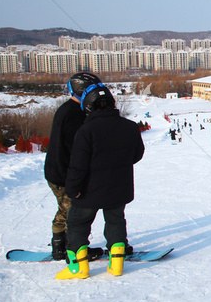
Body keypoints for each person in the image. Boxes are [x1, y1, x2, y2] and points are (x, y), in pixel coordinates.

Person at [56, 84, 145, 280]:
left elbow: (77, 166)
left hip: (89, 192)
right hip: (118, 188)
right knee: (115, 221)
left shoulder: (85, 130)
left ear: (87, 106)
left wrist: (72, 189)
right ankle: (117, 264)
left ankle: (78, 268)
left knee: (77, 223)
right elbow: (137, 154)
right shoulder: (130, 127)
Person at [44, 72, 101, 260]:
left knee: (64, 209)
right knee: (74, 213)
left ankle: (59, 247)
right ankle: (74, 251)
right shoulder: (74, 113)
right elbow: (76, 149)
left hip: (57, 171)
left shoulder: (69, 109)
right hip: (63, 173)